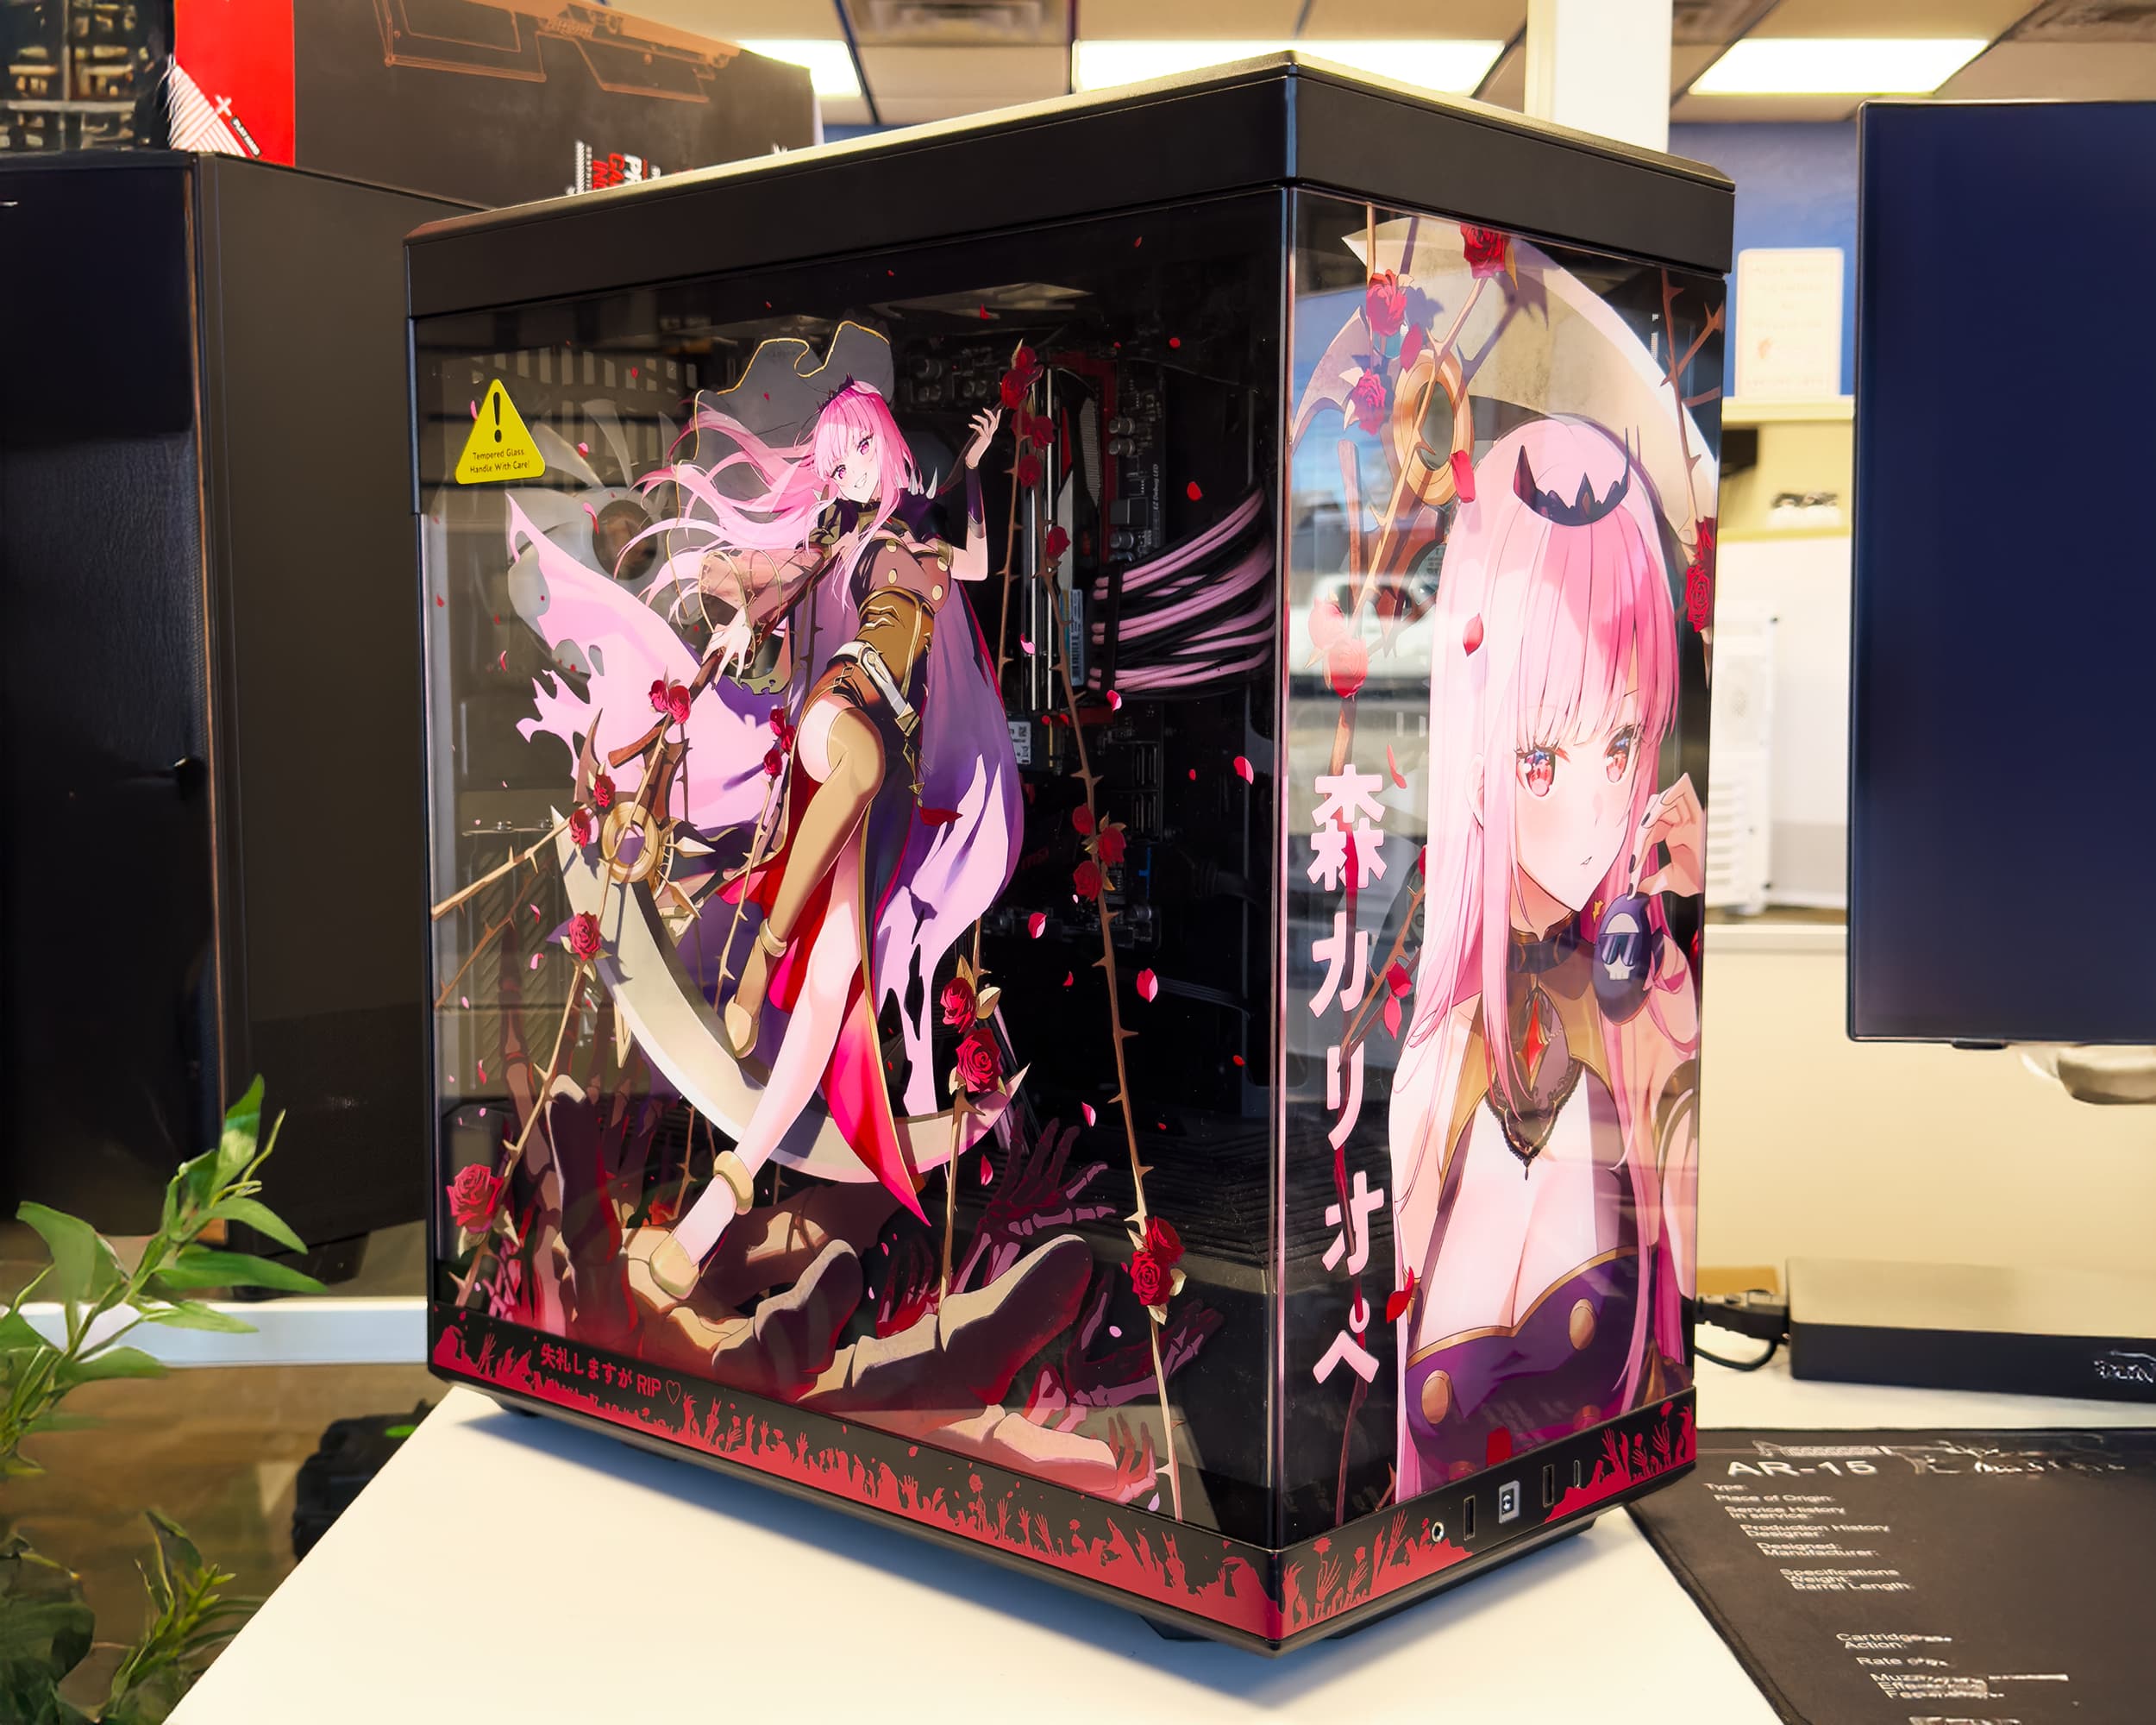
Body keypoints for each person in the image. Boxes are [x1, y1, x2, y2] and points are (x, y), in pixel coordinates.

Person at [621, 360, 1016, 1320]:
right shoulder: (836, 546)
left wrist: (970, 469)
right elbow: (774, 592)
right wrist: (735, 613)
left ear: (889, 452)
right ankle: (762, 955)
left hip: (891, 776)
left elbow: (977, 561)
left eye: (859, 454)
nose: (847, 474)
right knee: (860, 765)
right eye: (834, 462)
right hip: (839, 714)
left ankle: (711, 1213)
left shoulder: (923, 541)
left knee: (838, 984)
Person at [1388, 416, 1702, 1496]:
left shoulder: (1642, 1002)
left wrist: (1680, 935)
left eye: (1621, 743)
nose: (1593, 810)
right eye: (1537, 758)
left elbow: (1690, 1270)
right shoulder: (1434, 1060)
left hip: (1602, 1536)